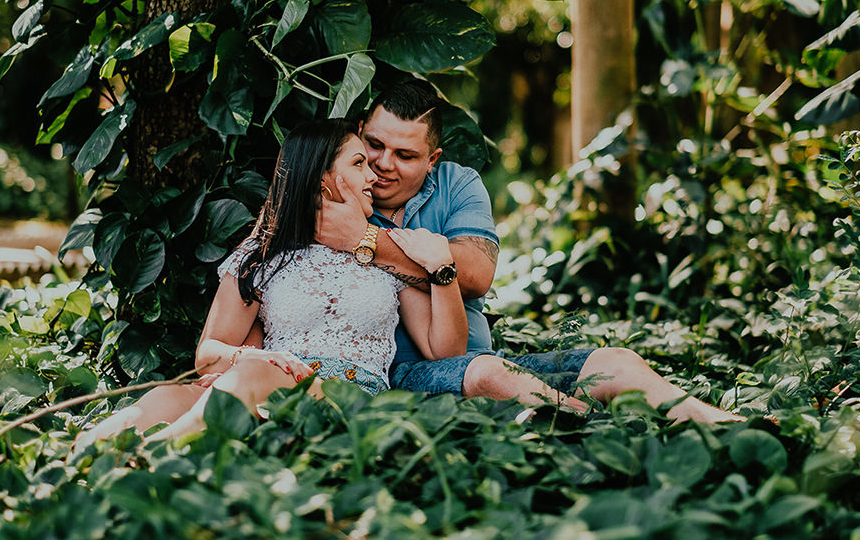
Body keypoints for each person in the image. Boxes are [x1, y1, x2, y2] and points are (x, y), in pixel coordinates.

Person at [315, 80, 740, 423]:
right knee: (493, 375)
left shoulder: (457, 184)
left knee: (617, 361)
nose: (383, 164)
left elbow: (477, 273)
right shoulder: (334, 196)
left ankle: (724, 425)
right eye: (374, 145)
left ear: (432, 159)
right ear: (358, 133)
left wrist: (367, 241)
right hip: (396, 374)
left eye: (405, 155)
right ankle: (592, 424)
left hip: (483, 362)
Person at [76, 119, 467, 446]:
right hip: (266, 379)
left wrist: (443, 269)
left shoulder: (388, 250)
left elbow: (444, 348)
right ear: (323, 178)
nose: (372, 175)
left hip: (349, 398)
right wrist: (253, 357)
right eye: (359, 163)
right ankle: (83, 452)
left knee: (253, 377)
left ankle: (151, 457)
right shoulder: (260, 256)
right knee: (171, 394)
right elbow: (208, 355)